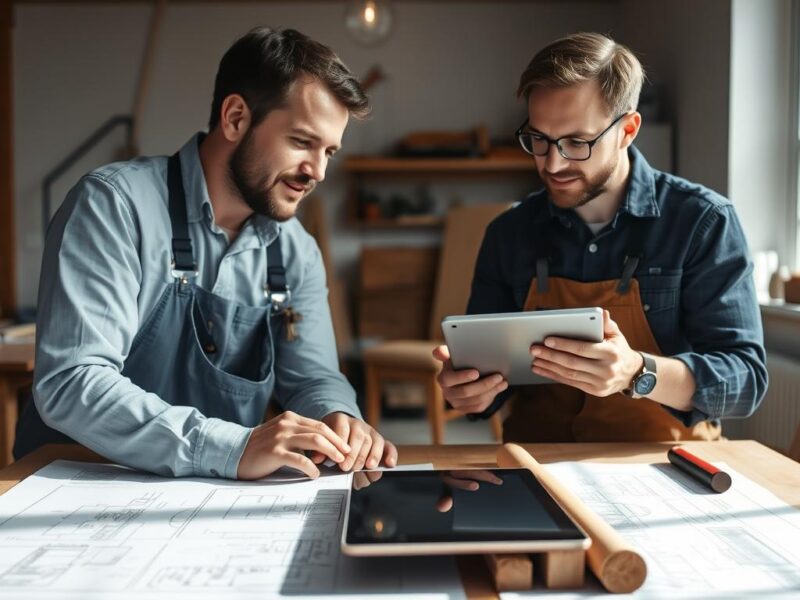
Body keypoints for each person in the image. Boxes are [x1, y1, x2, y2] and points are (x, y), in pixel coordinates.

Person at [16, 27, 397, 478]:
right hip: (78, 483)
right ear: (235, 118)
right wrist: (229, 447)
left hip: (209, 494)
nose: (318, 171)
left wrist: (339, 417)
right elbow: (72, 382)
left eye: (329, 151)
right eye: (301, 142)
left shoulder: (296, 250)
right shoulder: (114, 206)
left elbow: (313, 376)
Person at [433, 32, 767, 442]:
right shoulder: (508, 233)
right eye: (538, 139)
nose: (552, 164)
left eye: (577, 142)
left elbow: (745, 381)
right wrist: (469, 393)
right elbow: (488, 385)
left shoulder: (702, 222)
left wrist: (637, 372)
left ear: (628, 130)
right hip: (536, 462)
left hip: (663, 463)